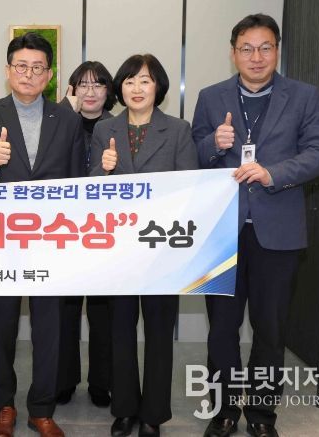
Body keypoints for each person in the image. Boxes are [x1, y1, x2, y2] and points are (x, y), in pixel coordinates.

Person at [191, 13, 319, 437]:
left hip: (279, 233)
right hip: (222, 234)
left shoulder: (304, 96)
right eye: (247, 48)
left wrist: (274, 173)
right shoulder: (211, 97)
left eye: (265, 47)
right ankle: (224, 411)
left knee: (271, 330)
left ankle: (261, 415)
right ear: (233, 52)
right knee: (222, 330)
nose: (256, 57)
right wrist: (213, 145)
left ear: (277, 50)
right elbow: (192, 153)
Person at [0, 32, 86, 437]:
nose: (28, 74)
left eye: (37, 68)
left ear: (49, 75)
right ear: (7, 70)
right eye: (21, 66)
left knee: (50, 329)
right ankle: (3, 407)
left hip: (51, 241)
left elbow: (77, 180)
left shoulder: (67, 119)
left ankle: (42, 409)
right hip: (0, 241)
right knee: (0, 327)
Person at [90, 54, 198, 437]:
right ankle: (124, 409)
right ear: (120, 89)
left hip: (161, 246)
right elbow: (89, 188)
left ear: (158, 87)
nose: (137, 88)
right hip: (118, 249)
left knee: (158, 331)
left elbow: (189, 187)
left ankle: (153, 413)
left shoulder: (178, 130)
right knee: (120, 330)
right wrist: (101, 168)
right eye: (130, 81)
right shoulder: (105, 129)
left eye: (145, 81)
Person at [55, 61, 115, 408]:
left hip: (106, 232)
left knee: (103, 312)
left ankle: (102, 382)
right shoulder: (59, 122)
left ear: (109, 91)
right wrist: (67, 112)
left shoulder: (119, 126)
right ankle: (63, 380)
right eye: (83, 85)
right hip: (64, 230)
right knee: (65, 310)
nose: (90, 92)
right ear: (72, 90)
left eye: (98, 85)